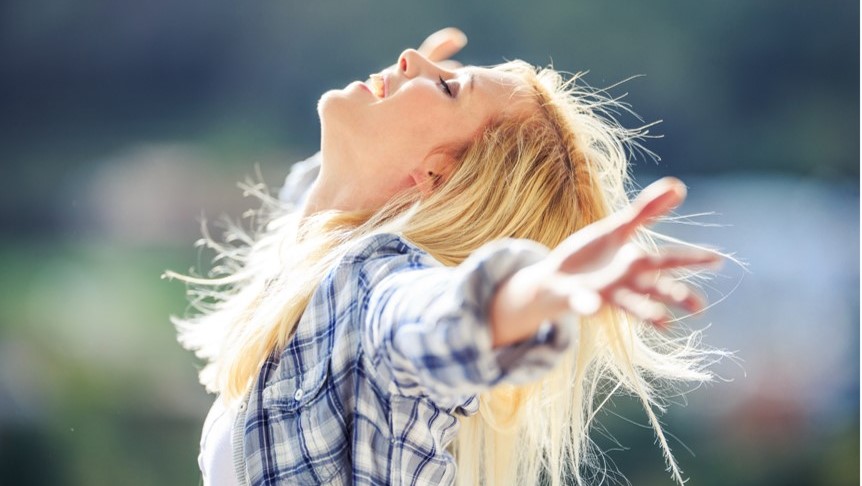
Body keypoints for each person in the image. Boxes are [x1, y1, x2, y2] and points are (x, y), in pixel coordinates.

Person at [170, 28, 726, 486]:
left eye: (449, 88)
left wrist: (536, 290)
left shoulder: (373, 293)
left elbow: (431, 319)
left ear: (436, 175)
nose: (410, 58)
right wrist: (402, 111)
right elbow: (321, 201)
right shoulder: (313, 266)